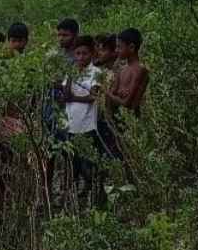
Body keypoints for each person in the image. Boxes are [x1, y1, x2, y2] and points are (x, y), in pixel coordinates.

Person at [62, 36, 104, 196]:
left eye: (84, 53)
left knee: (88, 163)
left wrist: (74, 97)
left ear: (92, 53)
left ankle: (94, 193)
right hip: (71, 124)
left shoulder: (96, 72)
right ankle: (75, 194)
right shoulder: (72, 72)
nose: (80, 57)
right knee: (72, 163)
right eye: (77, 54)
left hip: (87, 125)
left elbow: (93, 96)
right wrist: (71, 76)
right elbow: (66, 96)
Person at [106, 28, 149, 116]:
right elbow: (113, 95)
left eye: (119, 47)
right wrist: (116, 95)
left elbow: (127, 103)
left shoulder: (140, 70)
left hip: (132, 121)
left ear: (131, 47)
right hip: (117, 118)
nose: (116, 50)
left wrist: (109, 93)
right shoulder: (121, 69)